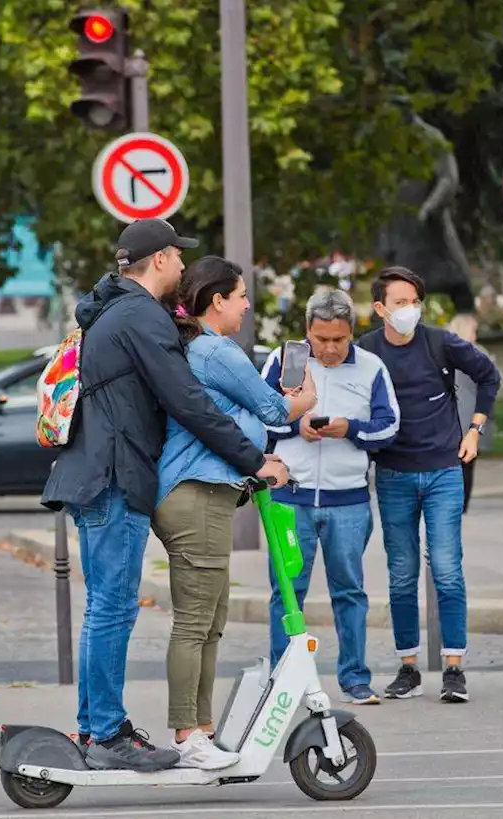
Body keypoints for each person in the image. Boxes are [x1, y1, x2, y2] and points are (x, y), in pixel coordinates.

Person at [41, 219, 290, 773]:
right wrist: (256, 461)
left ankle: (96, 726)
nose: (183, 268)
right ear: (159, 260)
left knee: (105, 609)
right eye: (178, 257)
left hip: (98, 475)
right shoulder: (141, 316)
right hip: (113, 476)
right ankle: (105, 733)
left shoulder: (118, 313)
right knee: (112, 609)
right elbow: (189, 404)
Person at [154, 256, 316, 769]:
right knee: (196, 620)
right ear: (217, 300)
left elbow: (234, 420)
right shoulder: (215, 349)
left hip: (211, 492)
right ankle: (187, 735)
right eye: (242, 296)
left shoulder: (200, 350)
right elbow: (272, 410)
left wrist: (260, 458)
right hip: (196, 496)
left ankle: (200, 727)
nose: (247, 306)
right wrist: (306, 394)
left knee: (212, 619)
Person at [357, 266, 500, 704]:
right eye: (400, 303)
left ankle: (454, 669)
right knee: (401, 574)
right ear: (380, 308)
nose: (409, 310)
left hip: (443, 471)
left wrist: (474, 429)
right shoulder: (367, 351)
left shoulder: (440, 341)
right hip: (394, 474)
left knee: (446, 569)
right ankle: (408, 667)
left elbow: (488, 374)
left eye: (415, 301)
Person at [261, 289, 399, 705]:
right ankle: (282, 680)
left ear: (351, 334)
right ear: (307, 332)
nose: (330, 348)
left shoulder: (372, 368)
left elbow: (389, 428)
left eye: (339, 340)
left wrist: (350, 428)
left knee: (350, 592)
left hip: (349, 502)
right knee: (286, 593)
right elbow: (259, 416)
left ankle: (355, 679)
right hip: (291, 498)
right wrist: (294, 427)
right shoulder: (283, 362)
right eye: (322, 339)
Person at [446, 314, 496, 513]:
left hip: (447, 416)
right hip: (472, 417)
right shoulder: (478, 354)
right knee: (467, 463)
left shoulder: (443, 352)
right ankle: (462, 504)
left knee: (449, 465)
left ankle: (449, 502)